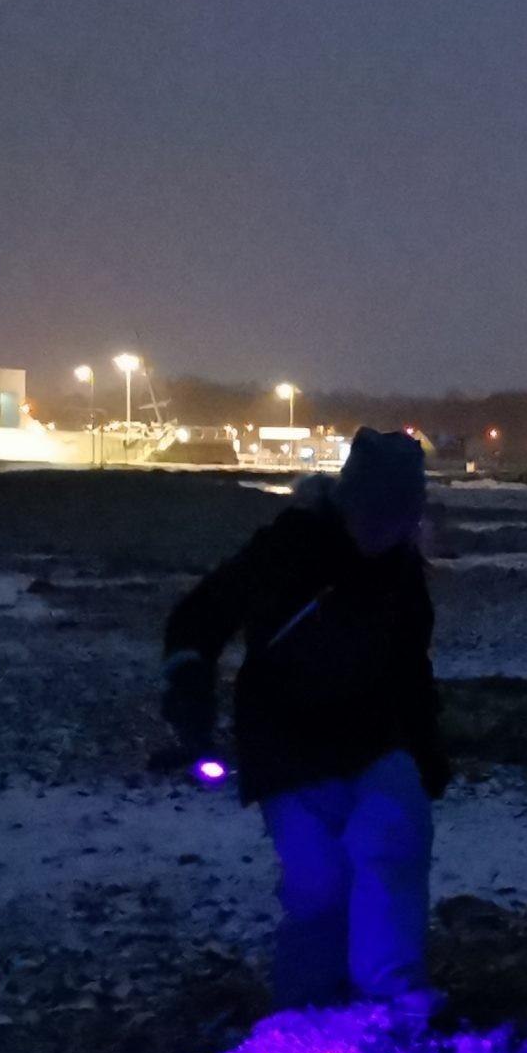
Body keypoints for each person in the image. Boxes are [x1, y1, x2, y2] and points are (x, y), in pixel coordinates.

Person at [162, 428, 450, 1008]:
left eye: (399, 519)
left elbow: (410, 664)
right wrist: (190, 688)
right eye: (377, 515)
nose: (386, 530)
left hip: (373, 736)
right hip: (285, 741)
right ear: (349, 502)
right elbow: (201, 615)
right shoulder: (288, 547)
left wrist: (426, 750)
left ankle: (391, 997)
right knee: (318, 884)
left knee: (394, 840)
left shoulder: (401, 568)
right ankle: (307, 1007)